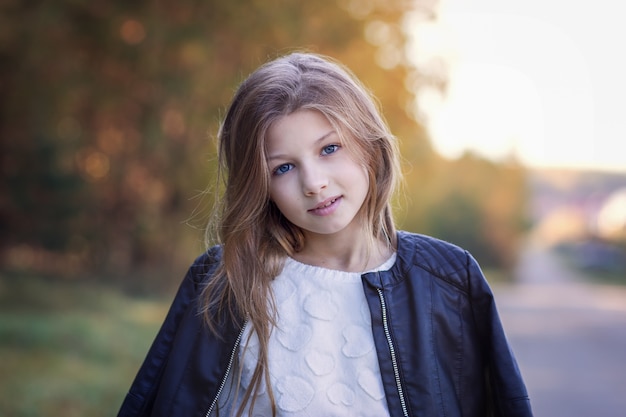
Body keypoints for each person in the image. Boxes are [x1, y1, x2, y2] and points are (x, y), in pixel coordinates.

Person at [117, 52, 533, 417]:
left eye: (329, 149)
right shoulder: (221, 280)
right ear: (259, 185)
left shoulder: (449, 280)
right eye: (283, 167)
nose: (313, 183)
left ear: (369, 146)